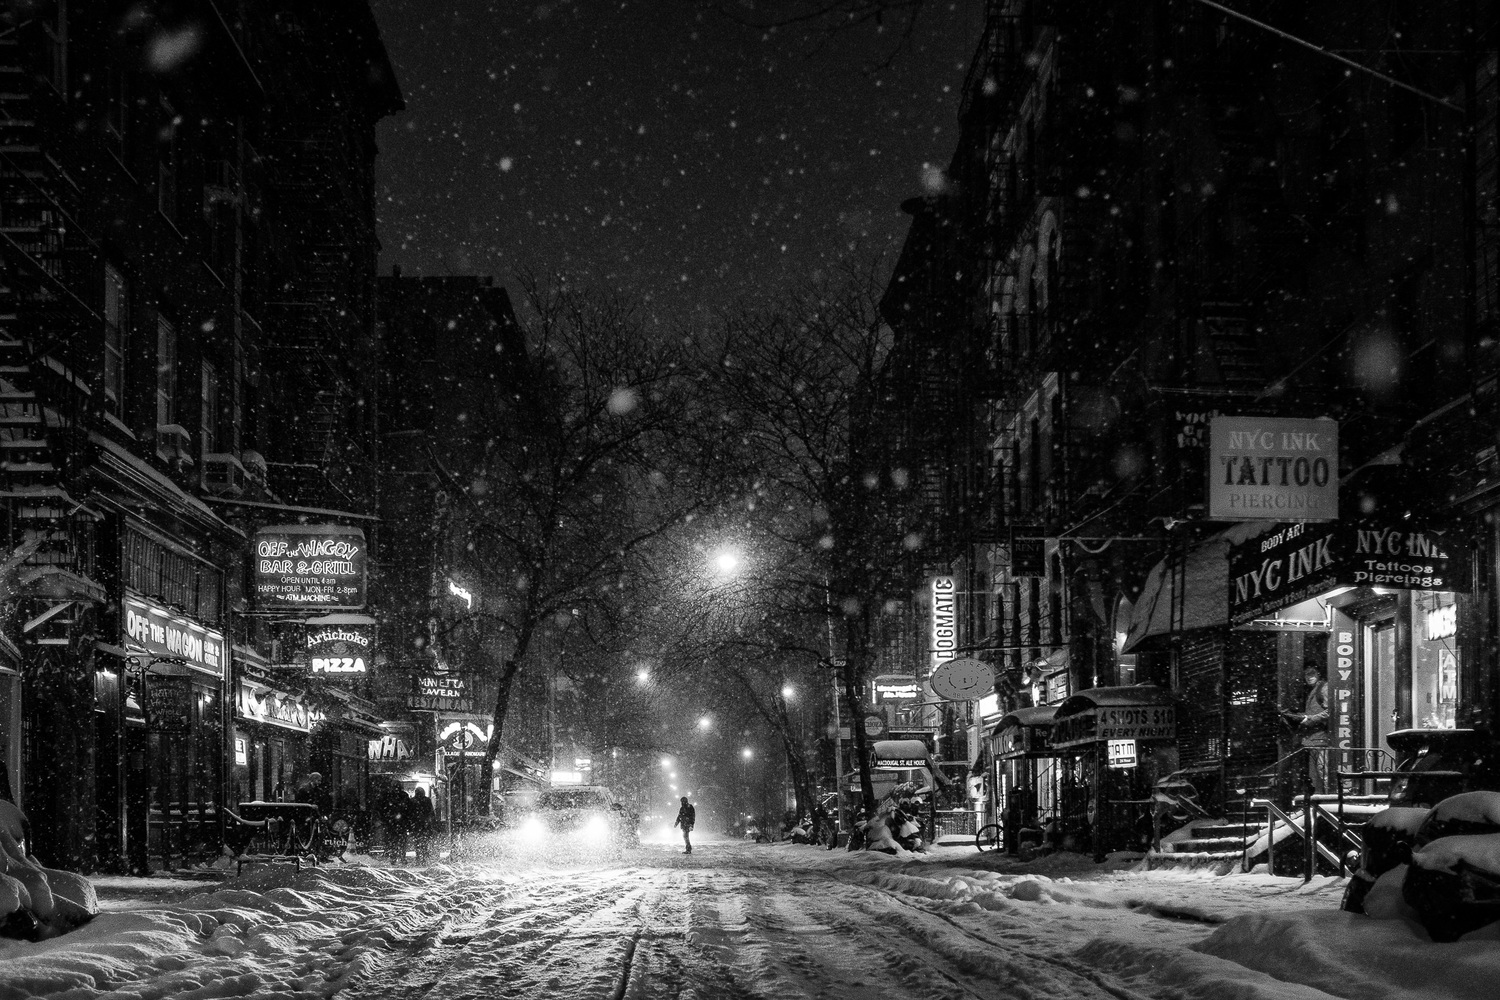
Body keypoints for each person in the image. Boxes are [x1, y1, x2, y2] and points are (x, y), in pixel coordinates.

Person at [1281, 665, 1331, 795]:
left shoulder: (1323, 688)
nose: (1309, 676)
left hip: (1321, 739)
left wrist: (1310, 719)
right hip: (1314, 740)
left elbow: (1331, 711)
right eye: (1306, 674)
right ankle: (1320, 803)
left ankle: (1326, 802)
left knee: (1323, 774)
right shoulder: (1315, 690)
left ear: (1319, 673)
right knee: (1316, 777)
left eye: (1312, 673)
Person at [410, 787, 435, 863]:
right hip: (425, 824)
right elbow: (431, 812)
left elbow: (410, 813)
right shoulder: (427, 800)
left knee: (417, 841)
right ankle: (424, 856)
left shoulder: (412, 801)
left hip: (416, 824)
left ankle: (418, 856)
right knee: (424, 841)